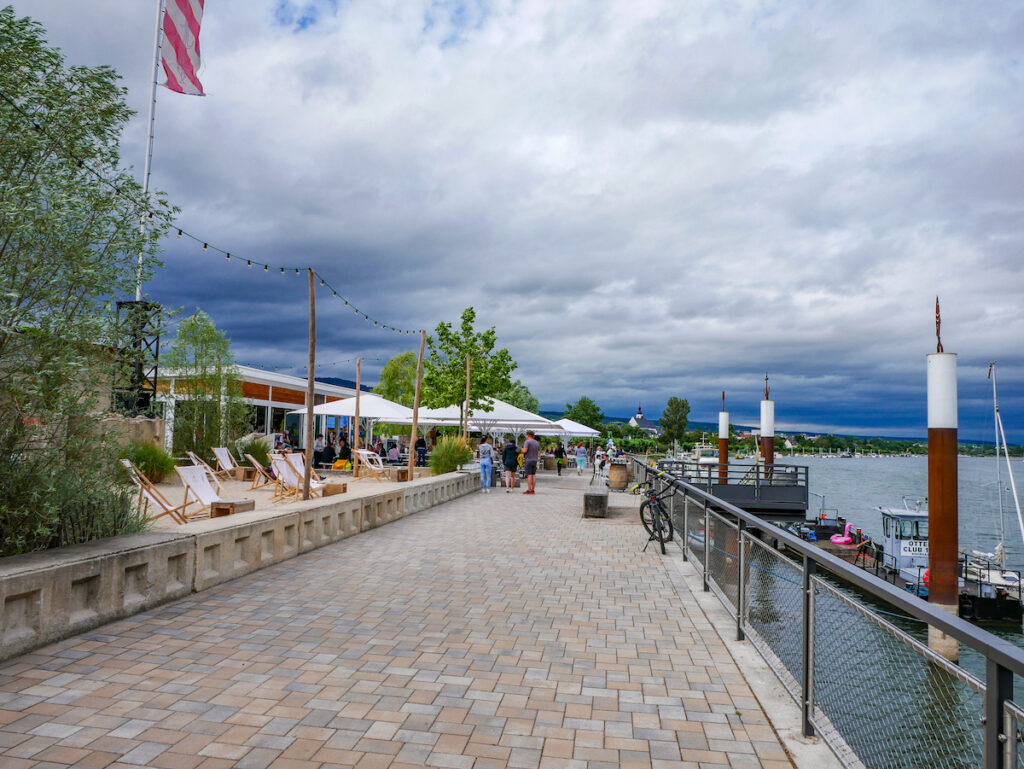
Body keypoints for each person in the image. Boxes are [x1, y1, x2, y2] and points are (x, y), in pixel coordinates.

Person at [521, 430, 540, 494]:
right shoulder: (537, 442)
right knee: (533, 475)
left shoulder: (527, 442)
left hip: (528, 460)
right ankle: (533, 489)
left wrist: (520, 451)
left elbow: (525, 450)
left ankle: (529, 489)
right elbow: (538, 453)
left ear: (528, 435)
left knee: (529, 475)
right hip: (535, 460)